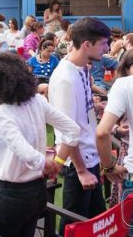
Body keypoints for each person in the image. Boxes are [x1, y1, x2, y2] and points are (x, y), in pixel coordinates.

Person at [0, 53, 80, 237]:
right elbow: (73, 130)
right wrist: (56, 162)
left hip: (12, 194)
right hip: (37, 192)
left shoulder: (1, 112)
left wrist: (49, 163)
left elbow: (23, 150)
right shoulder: (37, 101)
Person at [49, 17, 110, 228]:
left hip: (90, 157)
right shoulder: (65, 77)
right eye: (103, 43)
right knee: (73, 226)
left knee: (96, 223)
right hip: (78, 163)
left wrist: (93, 106)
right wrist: (82, 170)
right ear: (86, 45)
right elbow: (68, 131)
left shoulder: (82, 68)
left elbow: (77, 114)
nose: (107, 49)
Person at [96, 50, 133, 208]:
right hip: (126, 150)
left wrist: (108, 167)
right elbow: (109, 127)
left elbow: (102, 131)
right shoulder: (123, 86)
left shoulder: (124, 85)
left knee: (125, 216)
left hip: (129, 162)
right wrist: (117, 129)